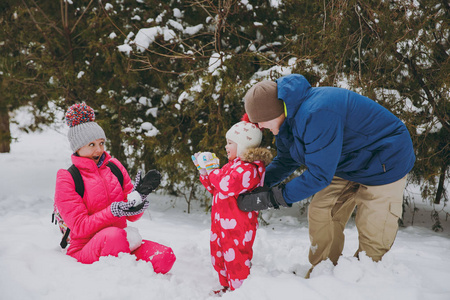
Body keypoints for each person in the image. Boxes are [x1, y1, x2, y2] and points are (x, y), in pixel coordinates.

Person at [237, 74, 415, 276]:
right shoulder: (287, 122)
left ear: (275, 112)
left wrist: (271, 198)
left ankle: (367, 280)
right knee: (322, 211)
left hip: (386, 162)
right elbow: (286, 160)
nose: (259, 127)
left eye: (260, 122)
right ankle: (323, 272)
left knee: (373, 231)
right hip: (344, 162)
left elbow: (319, 176)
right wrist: (253, 184)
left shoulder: (316, 113)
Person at [54, 103, 176, 274]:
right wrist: (112, 212)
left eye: (101, 143)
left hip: (122, 239)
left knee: (165, 257)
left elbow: (132, 217)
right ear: (78, 147)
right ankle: (123, 282)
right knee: (114, 236)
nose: (99, 149)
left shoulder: (115, 167)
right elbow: (80, 226)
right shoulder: (67, 178)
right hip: (84, 248)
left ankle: (135, 278)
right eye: (91, 145)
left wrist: (138, 199)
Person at [191, 115, 272, 294]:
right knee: (218, 256)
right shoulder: (231, 166)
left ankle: (239, 292)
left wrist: (213, 170)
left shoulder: (249, 168)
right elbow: (215, 188)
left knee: (236, 259)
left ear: (243, 144)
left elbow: (227, 185)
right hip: (220, 223)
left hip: (238, 227)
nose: (226, 147)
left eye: (230, 143)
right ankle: (226, 286)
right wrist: (204, 171)